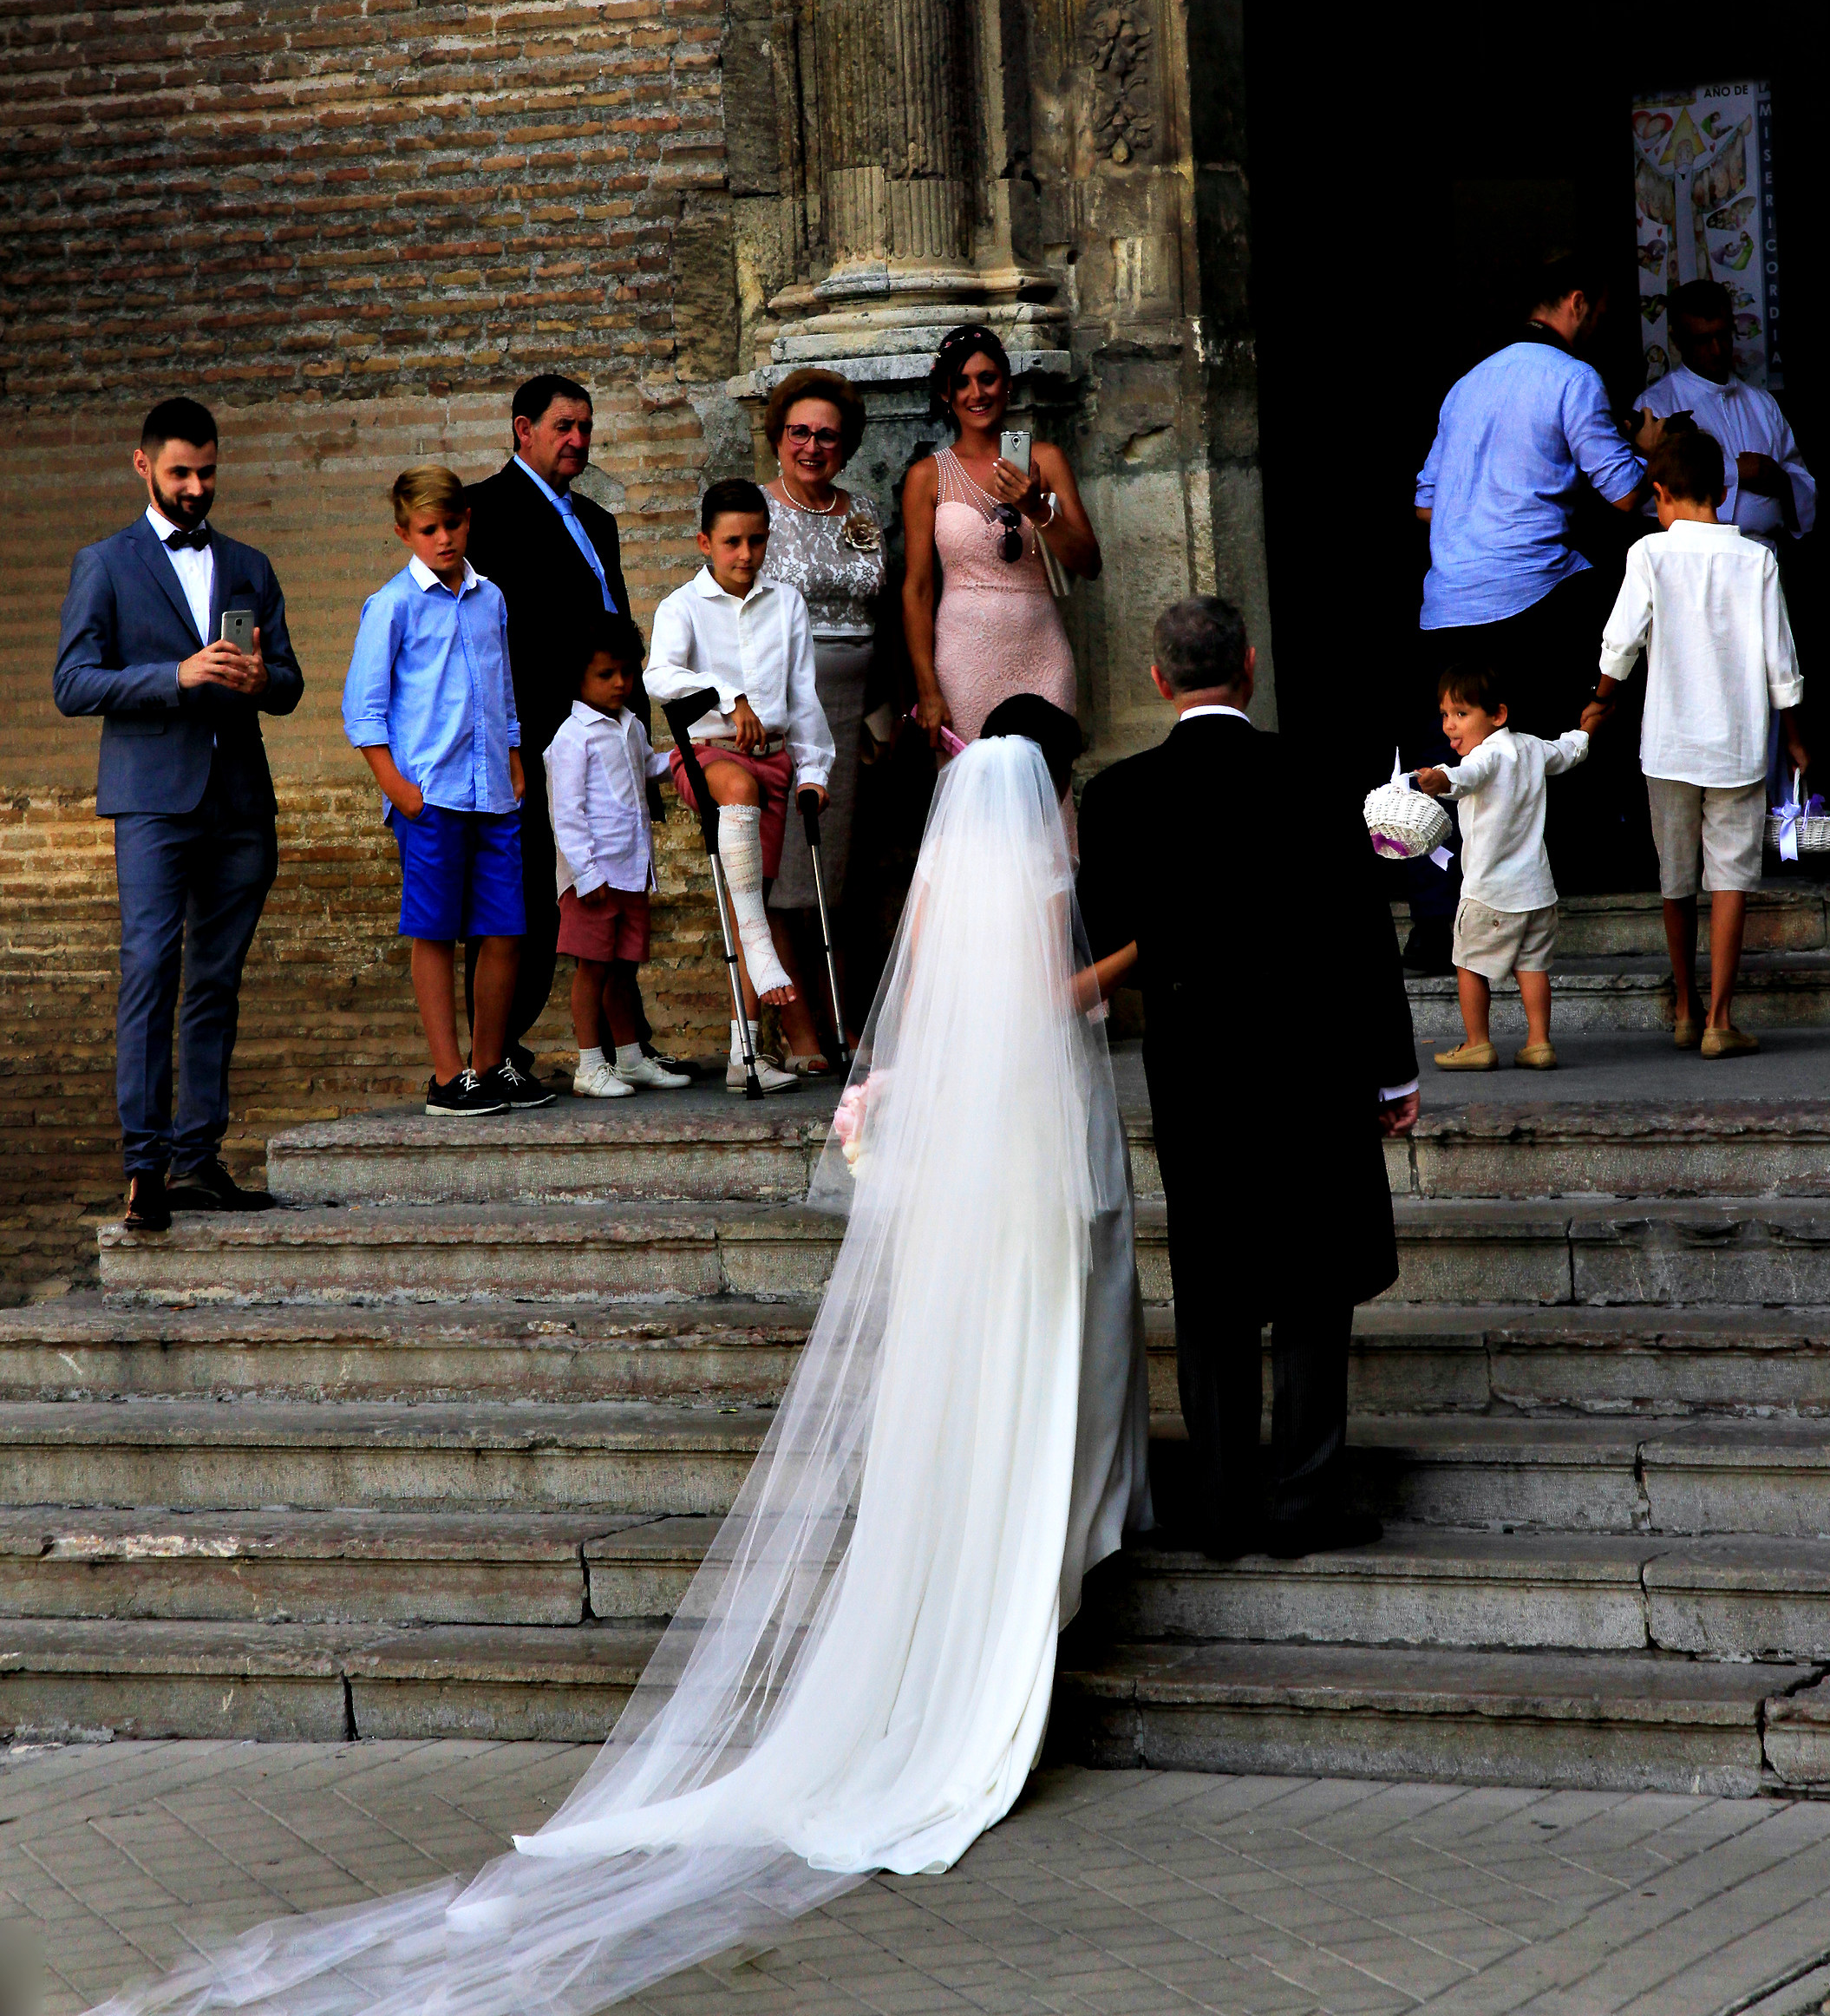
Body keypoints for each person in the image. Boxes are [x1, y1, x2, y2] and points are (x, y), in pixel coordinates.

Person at [94, 730, 1152, 2016]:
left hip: (953, 1164)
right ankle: (1033, 1561)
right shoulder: (1046, 881)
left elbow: (923, 1009)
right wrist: (1132, 958)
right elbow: (1044, 1002)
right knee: (1034, 1346)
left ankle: (964, 1559)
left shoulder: (935, 891)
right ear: (1046, 801)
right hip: (1025, 1155)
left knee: (953, 1373)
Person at [1076, 596, 1419, 1561]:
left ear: (1158, 679)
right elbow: (1364, 935)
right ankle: (1306, 1501)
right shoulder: (1313, 774)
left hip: (1197, 1058)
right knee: (1314, 1277)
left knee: (1215, 1276)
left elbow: (1114, 946)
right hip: (1311, 1052)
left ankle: (1226, 1504)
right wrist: (1392, 1070)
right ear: (1252, 668)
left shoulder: (1118, 797)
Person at [53, 396, 304, 1232]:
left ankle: (198, 1161)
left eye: (207, 472)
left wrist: (260, 681)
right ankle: (143, 1166)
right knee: (150, 970)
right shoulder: (106, 562)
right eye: (180, 473)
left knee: (216, 984)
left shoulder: (249, 563)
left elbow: (293, 683)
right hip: (154, 802)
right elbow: (73, 683)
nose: (196, 488)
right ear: (143, 465)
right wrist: (177, 676)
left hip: (239, 802)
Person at [1405, 254, 1656, 969]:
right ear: (1577, 303)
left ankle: (1434, 925)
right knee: (1570, 723)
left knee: (1443, 758)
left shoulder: (1465, 386)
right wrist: (1650, 447)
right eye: (1599, 314)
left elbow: (1424, 504)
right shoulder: (1573, 378)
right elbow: (1623, 497)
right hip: (1529, 598)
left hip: (1448, 598)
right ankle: (1574, 876)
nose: (1596, 326)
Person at [461, 373, 669, 1073]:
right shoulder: (483, 512)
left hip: (610, 732)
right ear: (523, 429)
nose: (578, 439)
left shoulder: (597, 520)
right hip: (538, 738)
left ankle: (626, 1048)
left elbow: (613, 628)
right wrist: (510, 740)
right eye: (563, 427)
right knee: (524, 897)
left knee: (618, 887)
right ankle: (496, 1050)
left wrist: (636, 723)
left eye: (585, 427)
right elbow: (487, 640)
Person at [1587, 427, 1807, 1058]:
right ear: (1723, 490)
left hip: (1669, 747)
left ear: (1659, 492)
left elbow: (1621, 644)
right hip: (1735, 747)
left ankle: (1683, 1008)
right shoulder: (1757, 559)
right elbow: (1780, 662)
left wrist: (1601, 700)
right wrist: (1795, 739)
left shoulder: (1649, 555)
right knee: (1731, 877)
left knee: (1675, 879)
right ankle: (1719, 1018)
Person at [342, 466, 542, 1117]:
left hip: (494, 792)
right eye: (428, 529)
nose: (444, 538)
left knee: (506, 929)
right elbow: (364, 710)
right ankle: (447, 1074)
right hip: (430, 794)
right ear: (404, 532)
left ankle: (489, 1064)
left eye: (453, 524)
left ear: (468, 521)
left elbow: (505, 686)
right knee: (434, 932)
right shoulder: (391, 605)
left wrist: (513, 756)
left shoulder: (493, 598)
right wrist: (398, 789)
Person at [644, 479, 834, 1093]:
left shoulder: (788, 603)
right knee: (739, 801)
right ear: (706, 542)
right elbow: (660, 676)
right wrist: (731, 699)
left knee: (747, 897)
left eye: (756, 541)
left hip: (776, 760)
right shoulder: (683, 606)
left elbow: (803, 695)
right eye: (731, 542)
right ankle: (760, 950)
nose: (745, 554)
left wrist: (812, 772)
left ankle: (745, 1055)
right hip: (709, 754)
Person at [760, 367, 889, 1074]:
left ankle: (844, 1015)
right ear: (778, 438)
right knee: (785, 880)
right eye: (798, 432)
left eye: (826, 435)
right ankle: (801, 1025)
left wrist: (879, 714)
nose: (811, 446)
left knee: (838, 880)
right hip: (784, 711)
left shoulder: (863, 510)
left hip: (853, 712)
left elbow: (882, 611)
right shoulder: (755, 512)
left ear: (846, 444)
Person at [902, 324, 1101, 750]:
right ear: (946, 395)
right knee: (976, 789)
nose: (977, 393)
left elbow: (1089, 563)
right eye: (962, 383)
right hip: (963, 659)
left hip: (1042, 652)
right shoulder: (927, 477)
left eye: (988, 378)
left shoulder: (1045, 459)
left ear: (1008, 385)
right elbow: (917, 589)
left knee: (1047, 786)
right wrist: (927, 686)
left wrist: (1037, 509)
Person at [1414, 663, 1592, 1071]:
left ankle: (1478, 1043)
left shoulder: (1484, 757)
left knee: (1468, 963)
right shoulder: (1531, 747)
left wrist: (1441, 779)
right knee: (1532, 967)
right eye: (1445, 715)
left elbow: (1468, 775)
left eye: (1461, 714)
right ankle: (1538, 1042)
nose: (1450, 726)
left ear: (1497, 715)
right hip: (1537, 894)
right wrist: (1588, 729)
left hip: (1489, 895)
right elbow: (1568, 752)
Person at [545, 621, 690, 1099]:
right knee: (593, 969)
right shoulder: (572, 737)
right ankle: (590, 1065)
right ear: (578, 678)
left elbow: (645, 767)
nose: (620, 684)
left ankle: (629, 1058)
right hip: (595, 877)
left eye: (627, 672)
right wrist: (586, 874)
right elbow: (566, 813)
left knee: (623, 968)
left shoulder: (630, 724)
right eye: (606, 674)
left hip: (630, 869)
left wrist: (683, 760)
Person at [1639, 279, 1816, 553]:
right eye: (1702, 340)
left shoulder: (1762, 403)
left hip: (1766, 554)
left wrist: (1781, 481)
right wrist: (1735, 472)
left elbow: (1800, 483)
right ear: (1677, 340)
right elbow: (1650, 498)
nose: (1717, 350)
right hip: (1694, 559)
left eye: (1722, 336)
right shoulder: (1656, 407)